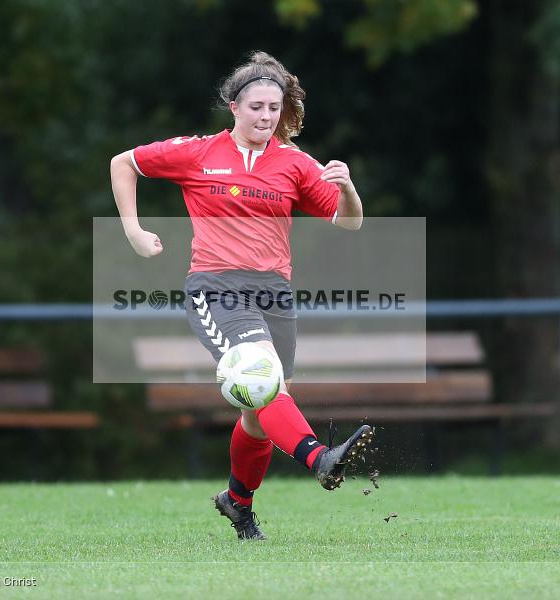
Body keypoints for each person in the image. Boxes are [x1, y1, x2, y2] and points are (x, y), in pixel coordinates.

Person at [110, 51, 374, 540]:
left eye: (274, 108)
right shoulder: (199, 153)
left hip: (275, 291)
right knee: (264, 379)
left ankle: (237, 501)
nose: (266, 117)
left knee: (257, 414)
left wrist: (349, 189)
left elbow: (349, 221)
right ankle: (320, 458)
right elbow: (123, 163)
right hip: (216, 286)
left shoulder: (295, 163)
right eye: (256, 107)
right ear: (234, 106)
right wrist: (132, 230)